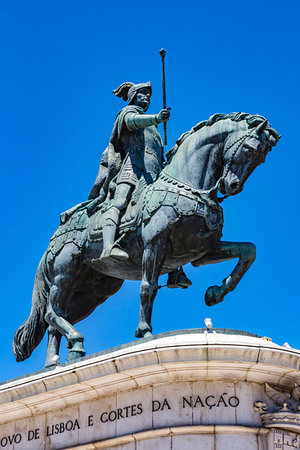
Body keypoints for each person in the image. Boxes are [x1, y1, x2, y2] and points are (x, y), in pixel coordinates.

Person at [89, 81, 191, 288]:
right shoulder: (127, 113)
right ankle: (108, 245)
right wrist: (156, 118)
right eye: (143, 94)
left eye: (149, 96)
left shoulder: (152, 128)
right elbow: (133, 123)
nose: (147, 98)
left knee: (169, 214)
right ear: (133, 96)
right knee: (119, 202)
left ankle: (176, 271)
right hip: (132, 168)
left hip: (154, 174)